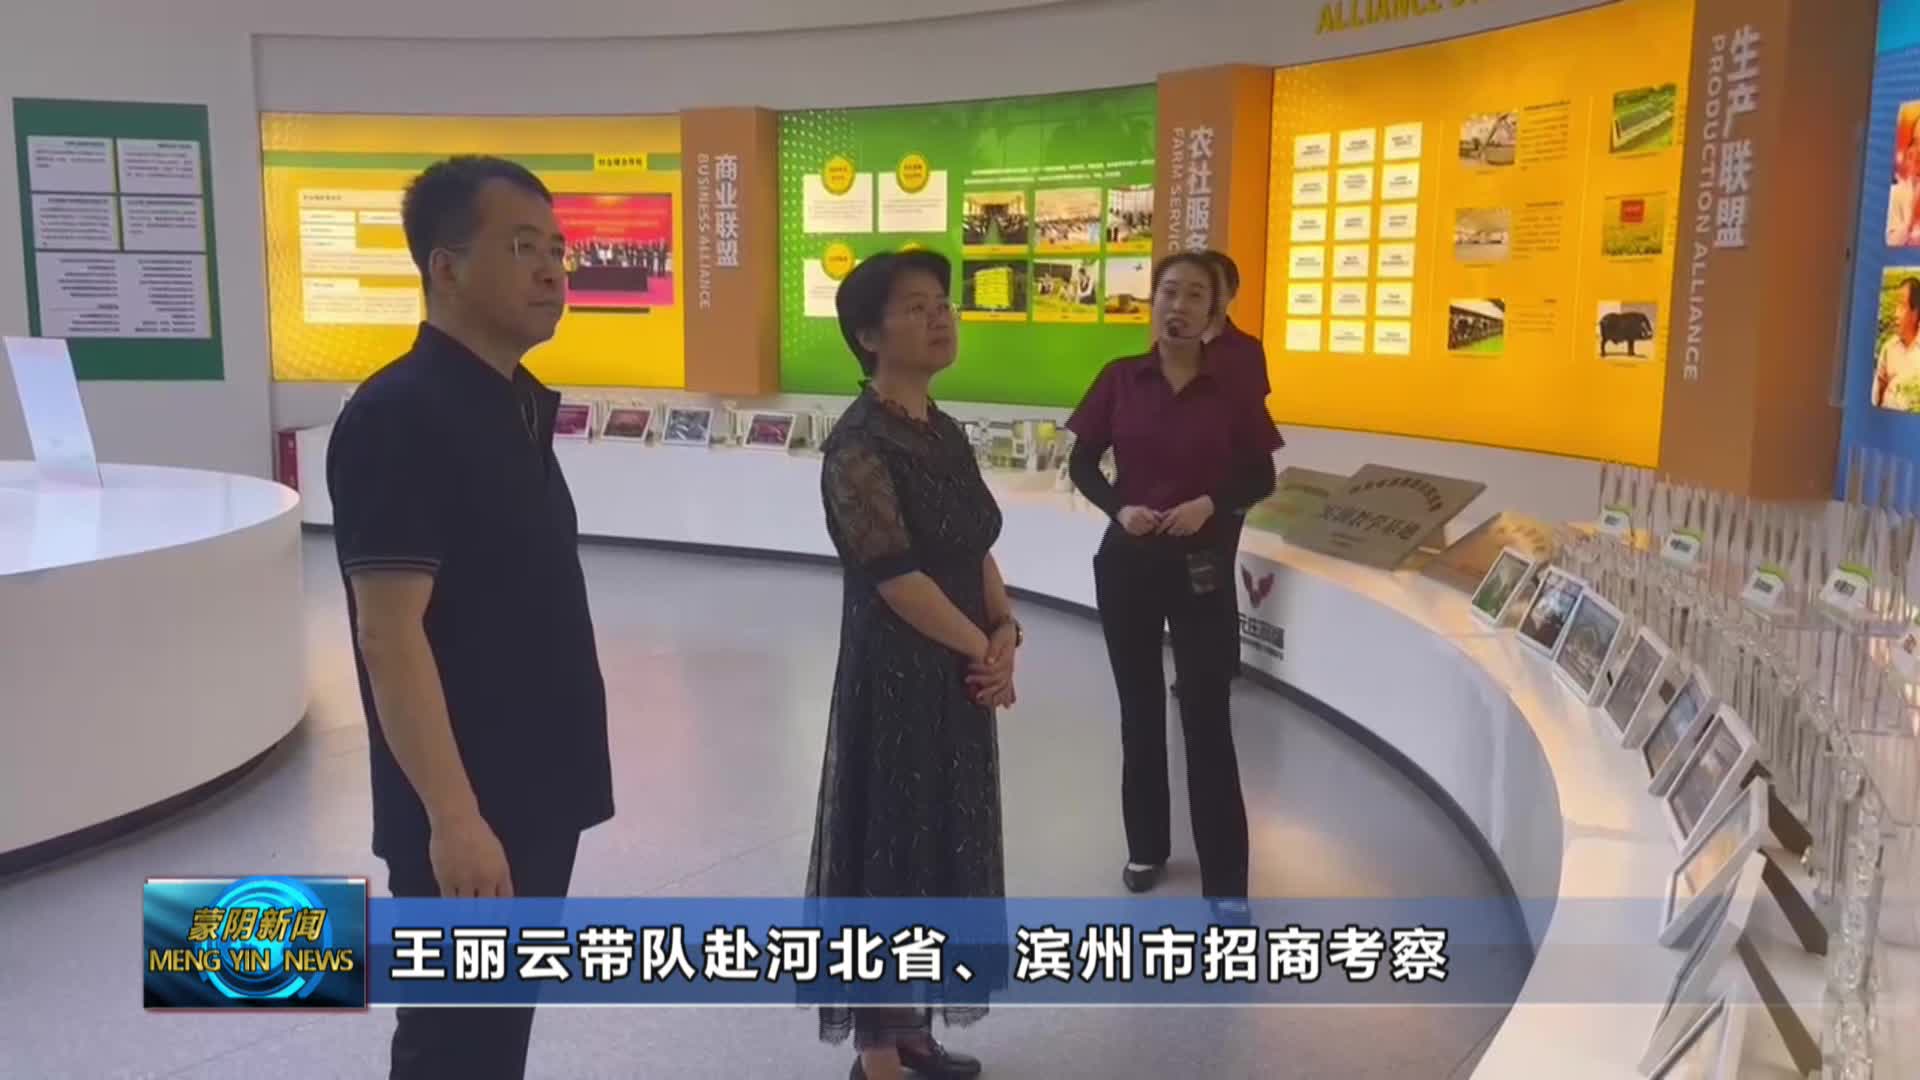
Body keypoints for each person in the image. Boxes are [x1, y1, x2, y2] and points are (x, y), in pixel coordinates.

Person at [325, 155, 613, 1079]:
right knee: (456, 1044)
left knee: (494, 1035)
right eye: (523, 248)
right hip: (471, 803)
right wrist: (454, 818)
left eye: (558, 250)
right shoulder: (401, 416)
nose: (552, 271)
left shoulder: (512, 404)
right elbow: (388, 633)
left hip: (534, 790)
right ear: (444, 268)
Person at [808, 250, 1019, 1080]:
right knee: (888, 855)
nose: (940, 318)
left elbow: (975, 546)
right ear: (868, 335)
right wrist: (982, 649)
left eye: (943, 304)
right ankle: (877, 1054)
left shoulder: (944, 430)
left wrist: (1004, 631)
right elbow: (895, 579)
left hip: (960, 674)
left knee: (940, 846)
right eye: (917, 307)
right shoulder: (858, 446)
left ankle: (913, 1028)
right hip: (897, 677)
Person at [1066, 252, 1282, 904]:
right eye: (1167, 292)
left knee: (1206, 717)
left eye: (1193, 295)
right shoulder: (1120, 378)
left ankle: (1226, 878)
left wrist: (1210, 504)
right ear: (1152, 301)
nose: (1177, 306)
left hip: (1201, 567)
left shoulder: (1232, 388)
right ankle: (1146, 846)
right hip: (1128, 565)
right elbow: (1083, 464)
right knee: (1139, 711)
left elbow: (1260, 475)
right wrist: (1119, 508)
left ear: (1214, 312)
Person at [1874, 277, 1920, 410]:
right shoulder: (1888, 348)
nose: (1895, 314)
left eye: (1901, 305)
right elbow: (1876, 394)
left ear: (1915, 312)